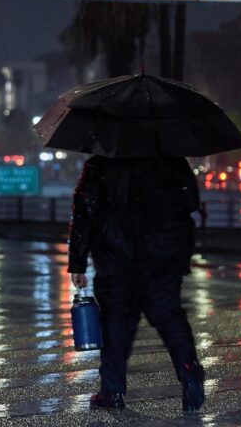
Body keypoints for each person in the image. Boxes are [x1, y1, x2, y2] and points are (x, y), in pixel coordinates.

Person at [67, 155, 205, 414]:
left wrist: (77, 261)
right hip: (163, 254)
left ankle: (112, 391)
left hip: (117, 257)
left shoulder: (102, 162)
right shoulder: (171, 158)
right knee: (170, 317)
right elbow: (190, 202)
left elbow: (85, 210)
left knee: (116, 324)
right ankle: (189, 371)